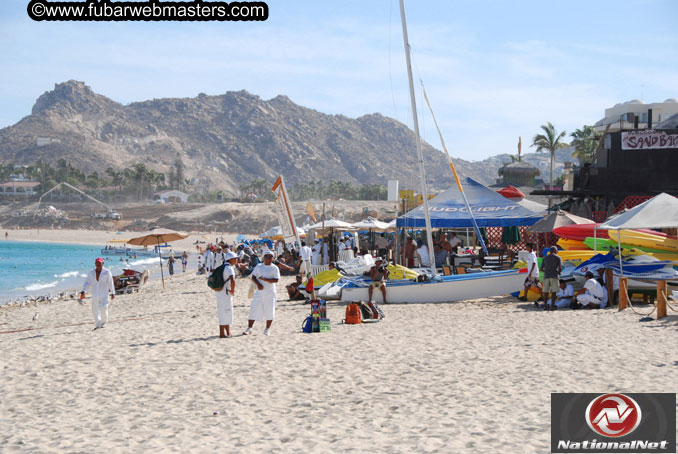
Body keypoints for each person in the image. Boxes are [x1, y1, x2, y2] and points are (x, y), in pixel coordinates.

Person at [243, 251, 280, 336]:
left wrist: (265, 279)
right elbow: (253, 277)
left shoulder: (274, 268)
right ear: (264, 257)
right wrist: (258, 284)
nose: (268, 258)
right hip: (259, 292)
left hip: (270, 292)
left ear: (272, 258)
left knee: (270, 310)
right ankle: (249, 328)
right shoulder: (259, 266)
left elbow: (276, 280)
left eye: (270, 257)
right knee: (254, 309)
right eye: (266, 256)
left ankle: (267, 329)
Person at [80, 258, 115, 330]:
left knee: (104, 307)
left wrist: (113, 292)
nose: (98, 264)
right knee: (95, 309)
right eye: (97, 263)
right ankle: (98, 323)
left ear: (103, 263)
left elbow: (110, 283)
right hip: (95, 294)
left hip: (104, 294)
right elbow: (87, 283)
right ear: (95, 264)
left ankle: (104, 322)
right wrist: (83, 291)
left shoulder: (107, 272)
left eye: (100, 263)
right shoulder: (91, 273)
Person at [216, 251, 238, 338]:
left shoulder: (223, 267)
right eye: (235, 258)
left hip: (220, 291)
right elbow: (232, 279)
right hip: (226, 292)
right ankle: (224, 333)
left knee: (222, 311)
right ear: (231, 259)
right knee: (227, 312)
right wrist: (232, 290)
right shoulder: (229, 268)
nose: (237, 260)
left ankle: (226, 332)